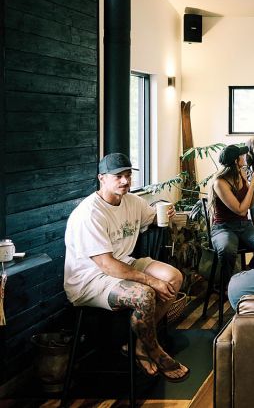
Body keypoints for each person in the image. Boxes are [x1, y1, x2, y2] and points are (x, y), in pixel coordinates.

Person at [63, 153, 189, 382]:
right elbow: (107, 265)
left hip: (123, 263)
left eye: (128, 176)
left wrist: (167, 212)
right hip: (90, 279)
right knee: (144, 295)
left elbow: (152, 218)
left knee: (173, 277)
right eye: (118, 176)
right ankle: (155, 350)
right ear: (102, 178)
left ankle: (140, 345)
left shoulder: (132, 201)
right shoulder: (90, 213)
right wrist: (151, 280)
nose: (125, 181)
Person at [208, 144, 254, 294]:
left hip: (244, 226)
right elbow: (240, 210)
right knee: (227, 250)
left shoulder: (240, 174)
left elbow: (249, 204)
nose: (244, 157)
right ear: (235, 161)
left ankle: (247, 278)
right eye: (241, 155)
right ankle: (225, 287)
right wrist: (252, 185)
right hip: (223, 227)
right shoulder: (220, 183)